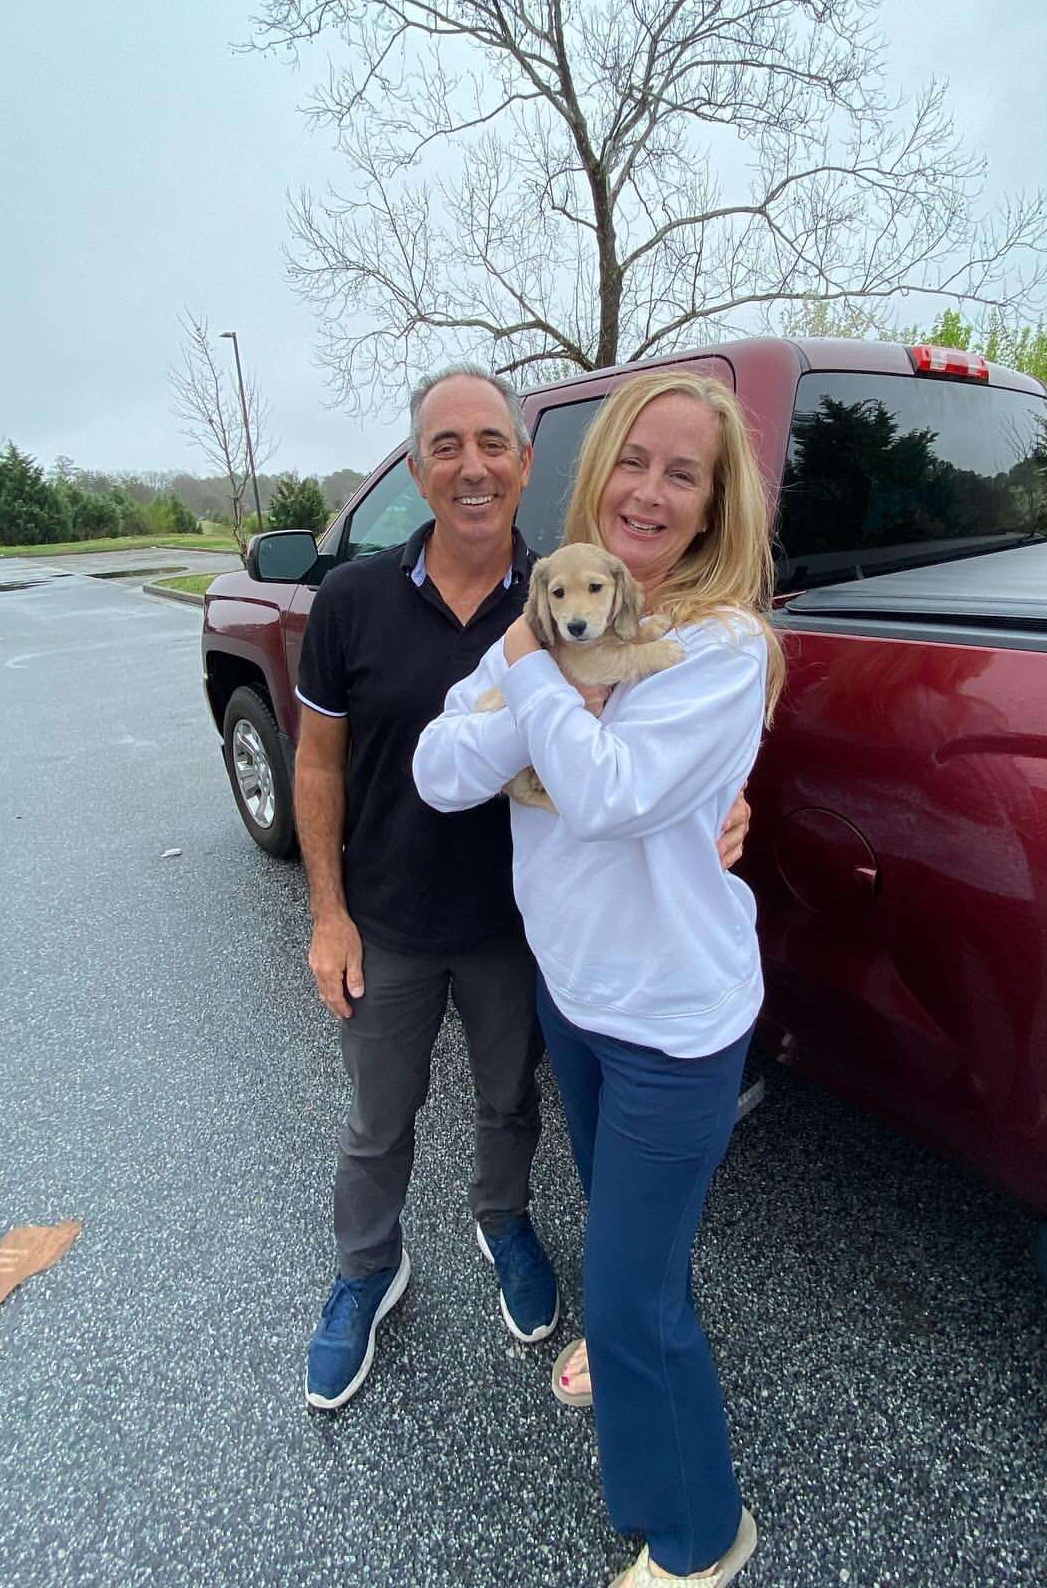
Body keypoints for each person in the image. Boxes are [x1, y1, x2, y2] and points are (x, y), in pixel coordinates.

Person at [295, 365, 751, 1414]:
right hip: (392, 920)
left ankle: (504, 1226)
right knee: (378, 1119)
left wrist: (724, 806)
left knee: (509, 1108)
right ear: (415, 469)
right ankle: (366, 1270)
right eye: (445, 445)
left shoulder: (573, 589)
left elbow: (660, 744)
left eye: (493, 443)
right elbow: (316, 762)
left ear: (526, 462)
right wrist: (328, 914)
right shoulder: (356, 596)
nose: (472, 465)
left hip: (520, 936)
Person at [414, 367, 785, 1587]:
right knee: (633, 1252)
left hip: (674, 1021)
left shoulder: (718, 649)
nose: (651, 488)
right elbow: (438, 770)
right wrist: (537, 682)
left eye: (685, 473)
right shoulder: (562, 619)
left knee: (629, 1301)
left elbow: (613, 793)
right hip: (576, 996)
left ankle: (697, 1540)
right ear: (598, 472)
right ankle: (629, 1365)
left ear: (715, 502)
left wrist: (524, 667)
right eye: (634, 459)